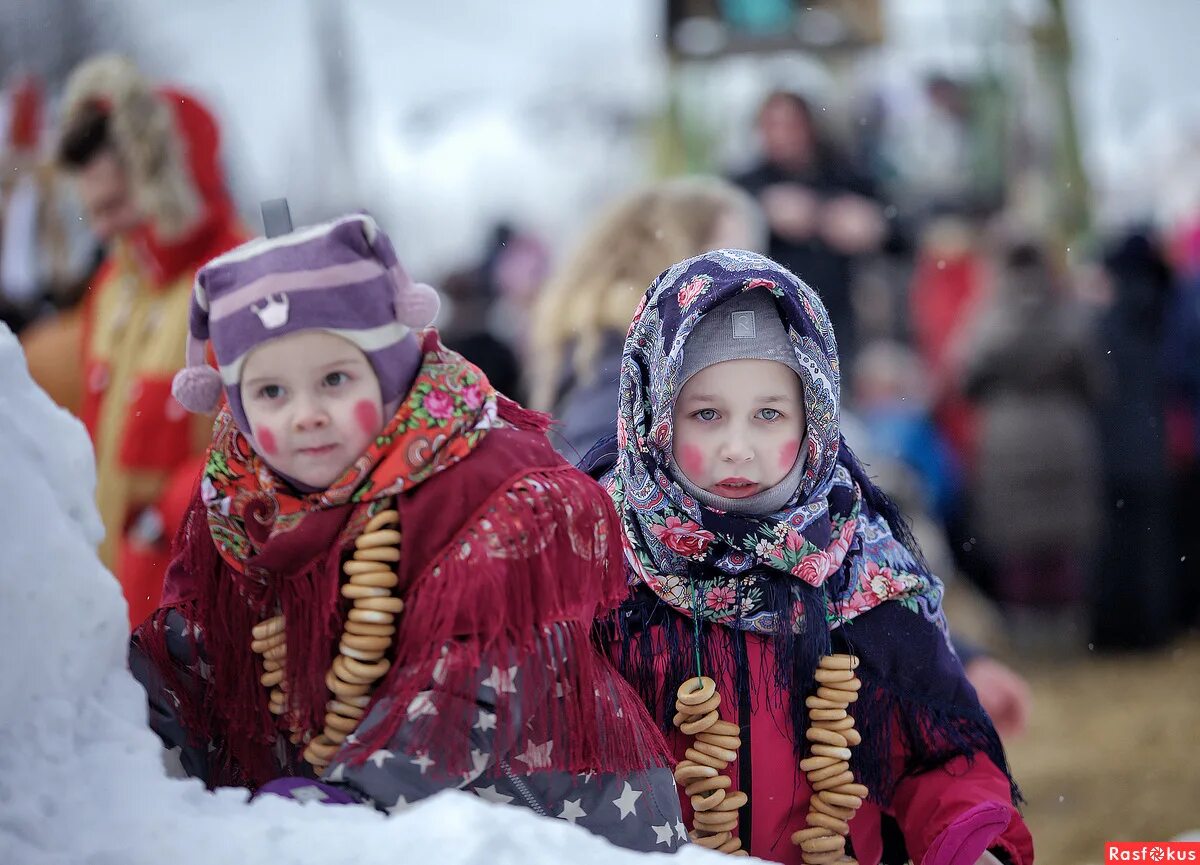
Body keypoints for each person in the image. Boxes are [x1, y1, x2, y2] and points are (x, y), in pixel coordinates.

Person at [129, 213, 682, 853]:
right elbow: (188, 657)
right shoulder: (241, 506)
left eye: (335, 380)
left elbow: (473, 687)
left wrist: (354, 798)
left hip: (544, 827)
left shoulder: (499, 489)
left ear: (389, 370)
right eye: (272, 391)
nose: (306, 415)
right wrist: (119, 745)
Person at [586, 250, 1032, 864]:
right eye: (706, 414)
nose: (738, 448)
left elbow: (940, 755)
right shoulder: (600, 571)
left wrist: (969, 844)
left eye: (769, 414)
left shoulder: (864, 571)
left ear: (816, 414)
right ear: (655, 413)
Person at [39, 55, 245, 628]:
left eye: (114, 206)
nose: (101, 230)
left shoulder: (238, 280)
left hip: (194, 619)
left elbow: (257, 454)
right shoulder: (112, 286)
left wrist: (161, 525)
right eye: (92, 211)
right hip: (111, 605)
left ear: (169, 181)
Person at [528, 176, 763, 459]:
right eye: (734, 259)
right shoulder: (629, 354)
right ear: (679, 261)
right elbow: (597, 468)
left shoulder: (609, 343)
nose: (754, 282)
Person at [961, 240, 1103, 650]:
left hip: (1007, 439)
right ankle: (1069, 639)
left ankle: (1026, 642)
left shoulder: (987, 316)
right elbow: (1095, 380)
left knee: (1017, 547)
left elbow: (967, 379)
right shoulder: (1069, 314)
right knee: (1061, 546)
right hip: (1064, 435)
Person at [733, 91, 887, 365]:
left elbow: (899, 231)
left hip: (840, 315)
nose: (781, 136)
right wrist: (760, 214)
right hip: (767, 317)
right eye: (772, 125)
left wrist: (873, 225)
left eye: (790, 125)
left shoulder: (847, 176)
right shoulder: (746, 184)